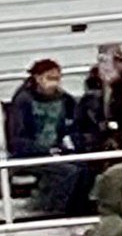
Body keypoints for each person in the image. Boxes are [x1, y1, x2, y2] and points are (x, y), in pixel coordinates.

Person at [5, 59, 88, 215]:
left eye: (57, 79)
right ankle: (52, 211)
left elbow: (74, 126)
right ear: (38, 78)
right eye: (49, 79)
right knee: (67, 171)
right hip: (27, 155)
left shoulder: (65, 100)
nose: (54, 84)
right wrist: (45, 149)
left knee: (84, 167)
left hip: (56, 150)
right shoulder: (23, 100)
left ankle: (76, 211)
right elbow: (16, 140)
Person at [74, 43, 122, 150]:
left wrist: (117, 84)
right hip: (98, 140)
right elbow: (86, 113)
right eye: (102, 60)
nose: (106, 65)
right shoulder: (93, 81)